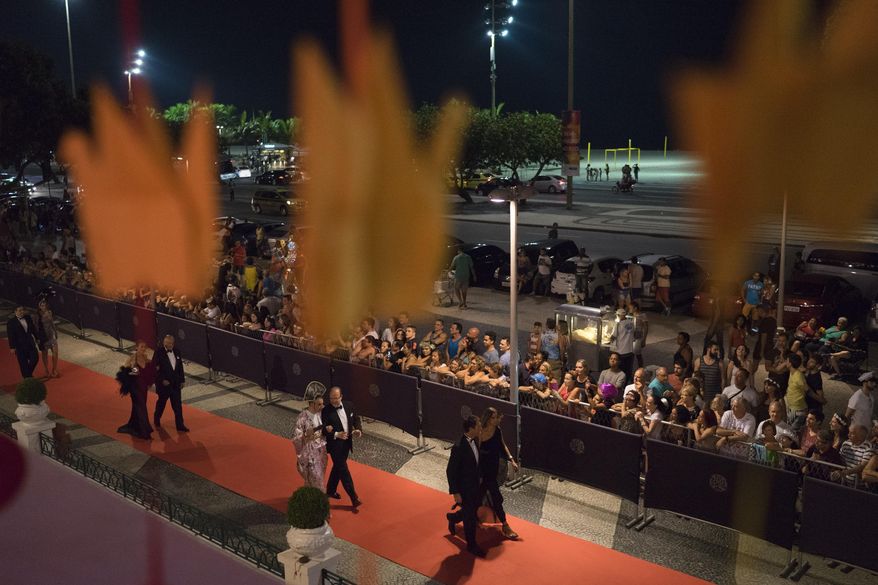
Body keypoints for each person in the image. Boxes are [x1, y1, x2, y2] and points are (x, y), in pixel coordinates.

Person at [446, 415, 486, 557]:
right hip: (465, 489)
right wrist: (455, 492)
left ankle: (454, 518)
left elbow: (476, 461)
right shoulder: (458, 447)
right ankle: (472, 545)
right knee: (470, 517)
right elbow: (450, 471)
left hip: (475, 485)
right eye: (479, 425)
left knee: (472, 509)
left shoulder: (474, 441)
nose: (481, 427)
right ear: (471, 428)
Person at [478, 408, 519, 540]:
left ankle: (457, 517)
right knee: (496, 498)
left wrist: (511, 459)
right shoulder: (479, 432)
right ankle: (505, 525)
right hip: (483, 471)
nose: (498, 419)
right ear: (489, 419)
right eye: (495, 417)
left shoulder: (497, 430)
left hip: (494, 468)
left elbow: (503, 446)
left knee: (478, 497)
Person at [322, 386, 363, 508]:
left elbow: (356, 419)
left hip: (347, 443)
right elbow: (323, 430)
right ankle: (354, 497)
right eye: (331, 398)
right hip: (335, 445)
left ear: (341, 397)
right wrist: (336, 434)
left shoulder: (349, 405)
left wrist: (358, 429)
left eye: (336, 398)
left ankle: (330, 490)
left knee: (338, 468)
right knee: (343, 470)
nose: (334, 401)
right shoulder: (326, 411)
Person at [116, 340, 155, 440]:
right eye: (141, 347)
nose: (143, 349)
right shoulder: (132, 359)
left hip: (143, 388)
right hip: (135, 388)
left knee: (138, 408)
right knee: (141, 408)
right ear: (137, 347)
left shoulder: (146, 359)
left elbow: (150, 373)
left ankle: (134, 425)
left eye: (144, 347)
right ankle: (144, 431)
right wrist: (133, 370)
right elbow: (125, 373)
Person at [292, 387, 327, 488]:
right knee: (316, 478)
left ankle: (310, 497)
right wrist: (306, 437)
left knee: (318, 477)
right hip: (309, 453)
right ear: (312, 404)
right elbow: (296, 438)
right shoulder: (302, 418)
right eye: (319, 404)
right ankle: (317, 499)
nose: (322, 406)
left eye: (322, 403)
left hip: (321, 451)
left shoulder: (321, 414)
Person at [152, 334, 188, 432]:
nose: (170, 345)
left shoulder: (177, 351)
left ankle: (180, 425)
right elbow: (155, 369)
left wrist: (182, 380)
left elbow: (180, 367)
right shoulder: (158, 352)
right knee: (161, 403)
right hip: (164, 385)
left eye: (172, 343)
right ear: (164, 343)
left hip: (175, 384)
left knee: (177, 406)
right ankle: (157, 418)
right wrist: (162, 380)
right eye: (168, 343)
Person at [7, 306, 39, 380]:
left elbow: (33, 329)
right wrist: (12, 347)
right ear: (15, 312)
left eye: (23, 310)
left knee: (35, 358)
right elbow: (10, 335)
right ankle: (27, 378)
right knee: (23, 363)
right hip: (19, 346)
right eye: (20, 310)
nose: (22, 312)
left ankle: (27, 375)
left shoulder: (28, 318)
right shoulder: (11, 322)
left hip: (30, 343)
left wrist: (37, 338)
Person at [36, 298, 60, 378]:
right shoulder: (38, 315)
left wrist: (55, 332)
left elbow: (52, 322)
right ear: (39, 307)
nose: (44, 307)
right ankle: (46, 369)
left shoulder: (49, 312)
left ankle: (54, 369)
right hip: (43, 337)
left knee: (55, 353)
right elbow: (36, 327)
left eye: (45, 305)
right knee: (45, 354)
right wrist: (37, 338)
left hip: (51, 335)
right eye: (42, 306)